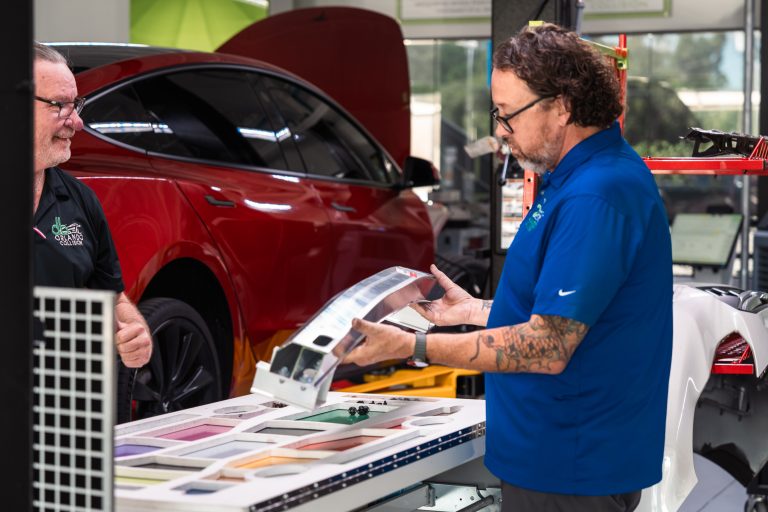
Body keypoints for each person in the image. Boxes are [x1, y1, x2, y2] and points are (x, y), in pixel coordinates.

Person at [346, 23, 672, 512]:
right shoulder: (575, 177)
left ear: (562, 105)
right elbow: (573, 312)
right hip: (557, 455)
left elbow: (549, 345)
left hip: (570, 466)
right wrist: (475, 310)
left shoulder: (596, 194)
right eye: (496, 113)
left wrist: (412, 345)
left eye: (509, 114)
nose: (500, 129)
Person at [32, 42, 152, 369]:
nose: (78, 123)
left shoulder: (80, 200)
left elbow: (112, 299)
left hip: (61, 404)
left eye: (76, 106)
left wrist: (134, 333)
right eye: (59, 105)